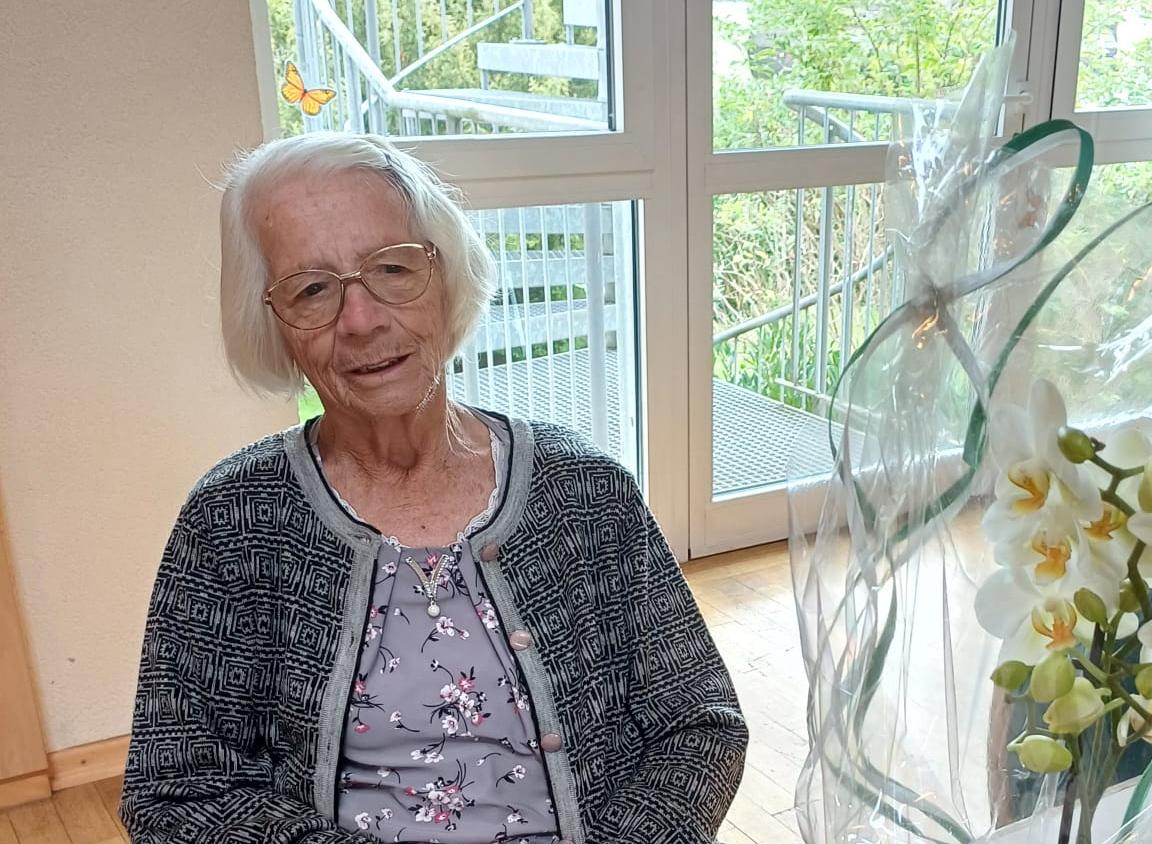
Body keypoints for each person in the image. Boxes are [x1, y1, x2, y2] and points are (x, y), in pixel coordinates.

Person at [121, 133, 747, 843]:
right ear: (271, 322)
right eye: (312, 288)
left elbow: (700, 722)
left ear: (447, 279)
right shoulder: (231, 522)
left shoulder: (585, 489)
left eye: (392, 268)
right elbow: (174, 793)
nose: (361, 320)